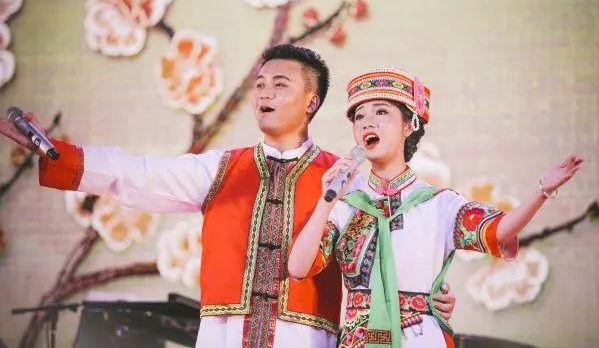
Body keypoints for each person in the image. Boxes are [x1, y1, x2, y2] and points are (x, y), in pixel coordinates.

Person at [0, 47, 457, 348]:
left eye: (280, 84)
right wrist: (55, 153)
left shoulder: (345, 180)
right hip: (223, 335)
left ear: (312, 101)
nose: (264, 92)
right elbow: (139, 173)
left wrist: (428, 297)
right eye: (260, 84)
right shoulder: (220, 169)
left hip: (307, 338)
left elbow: (392, 248)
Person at [288, 67, 584, 348]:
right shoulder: (346, 205)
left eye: (381, 112)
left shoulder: (439, 203)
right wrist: (326, 201)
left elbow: (499, 230)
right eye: (359, 116)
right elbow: (298, 268)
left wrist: (542, 192)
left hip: (420, 338)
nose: (367, 122)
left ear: (408, 125)